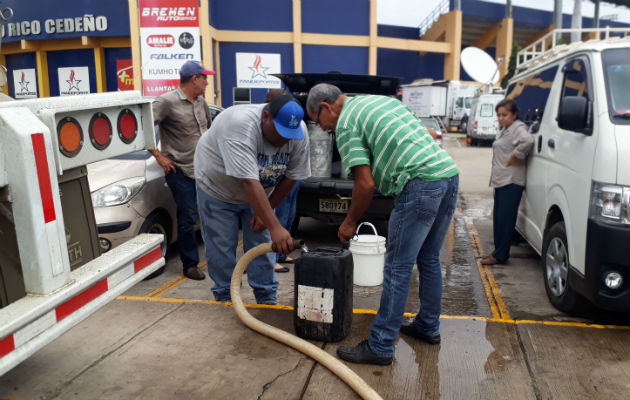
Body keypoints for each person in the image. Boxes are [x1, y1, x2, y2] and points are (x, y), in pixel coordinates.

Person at [305, 83, 459, 366]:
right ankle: (427, 326)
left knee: (397, 268)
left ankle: (381, 345)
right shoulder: (378, 102)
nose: (322, 128)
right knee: (428, 259)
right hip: (447, 175)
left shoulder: (346, 124)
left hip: (421, 183)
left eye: (318, 120)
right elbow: (418, 136)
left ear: (326, 108)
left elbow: (365, 184)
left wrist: (349, 222)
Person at [194, 94, 310, 304]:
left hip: (259, 193)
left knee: (262, 247)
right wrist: (275, 226)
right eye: (280, 133)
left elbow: (292, 176)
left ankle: (266, 298)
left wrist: (267, 212)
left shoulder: (298, 131)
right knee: (221, 246)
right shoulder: (239, 126)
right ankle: (226, 299)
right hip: (218, 189)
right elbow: (249, 182)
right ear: (265, 116)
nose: (284, 140)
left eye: (289, 135)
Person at [151, 60, 215, 281]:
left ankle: (216, 259)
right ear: (194, 79)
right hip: (181, 171)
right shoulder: (166, 102)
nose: (207, 82)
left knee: (209, 215)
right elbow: (143, 127)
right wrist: (159, 156)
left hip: (205, 169)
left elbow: (209, 131)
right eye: (205, 78)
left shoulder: (201, 102)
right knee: (187, 217)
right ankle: (190, 265)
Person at [480, 99, 534, 265]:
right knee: (499, 218)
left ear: (514, 114)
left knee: (505, 219)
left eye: (504, 114)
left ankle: (501, 255)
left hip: (511, 181)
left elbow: (528, 141)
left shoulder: (518, 128)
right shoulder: (505, 129)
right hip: (501, 180)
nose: (501, 118)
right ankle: (497, 252)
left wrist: (515, 155)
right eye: (499, 115)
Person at [264, 88, 305, 273]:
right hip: (275, 179)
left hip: (290, 176)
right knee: (275, 218)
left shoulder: (299, 128)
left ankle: (281, 254)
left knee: (289, 213)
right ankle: (271, 258)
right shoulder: (262, 123)